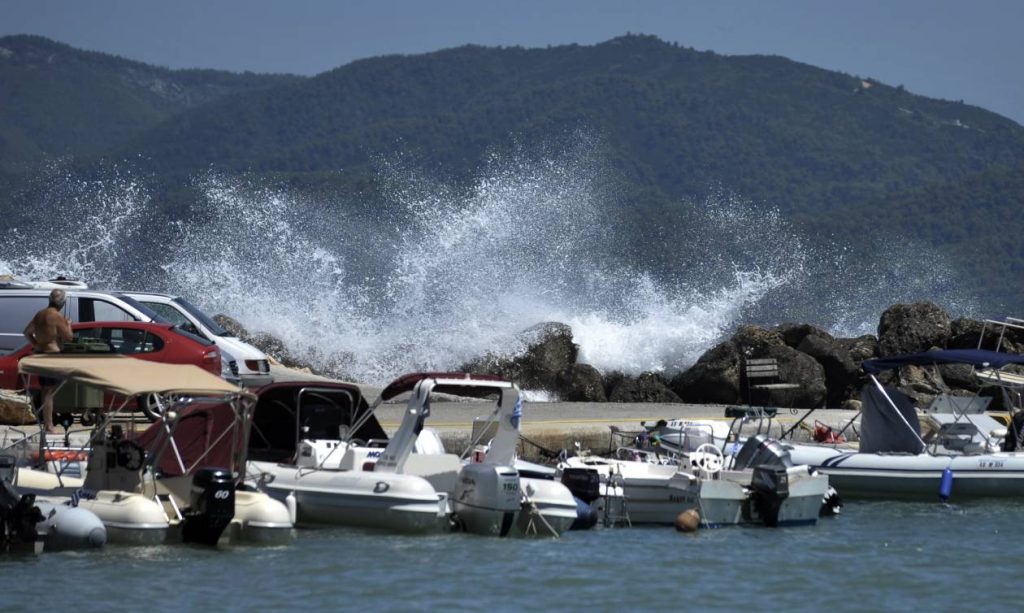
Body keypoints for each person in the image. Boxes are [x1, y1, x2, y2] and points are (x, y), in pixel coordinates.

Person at [23, 289, 73, 433]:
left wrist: (36, 344)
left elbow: (26, 332)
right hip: (52, 355)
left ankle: (49, 422)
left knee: (47, 390)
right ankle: (49, 425)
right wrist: (68, 323)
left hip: (40, 353)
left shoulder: (40, 314)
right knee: (49, 392)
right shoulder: (57, 316)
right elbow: (69, 337)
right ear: (62, 303)